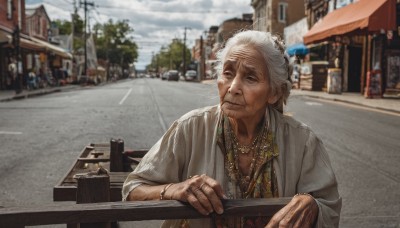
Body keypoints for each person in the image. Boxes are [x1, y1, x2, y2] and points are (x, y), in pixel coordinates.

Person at [122, 30, 341, 227]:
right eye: (228, 73)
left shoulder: (302, 141)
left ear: (274, 92)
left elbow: (328, 207)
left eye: (250, 77)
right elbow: (133, 189)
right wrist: (173, 189)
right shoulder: (191, 128)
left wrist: (311, 205)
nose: (233, 88)